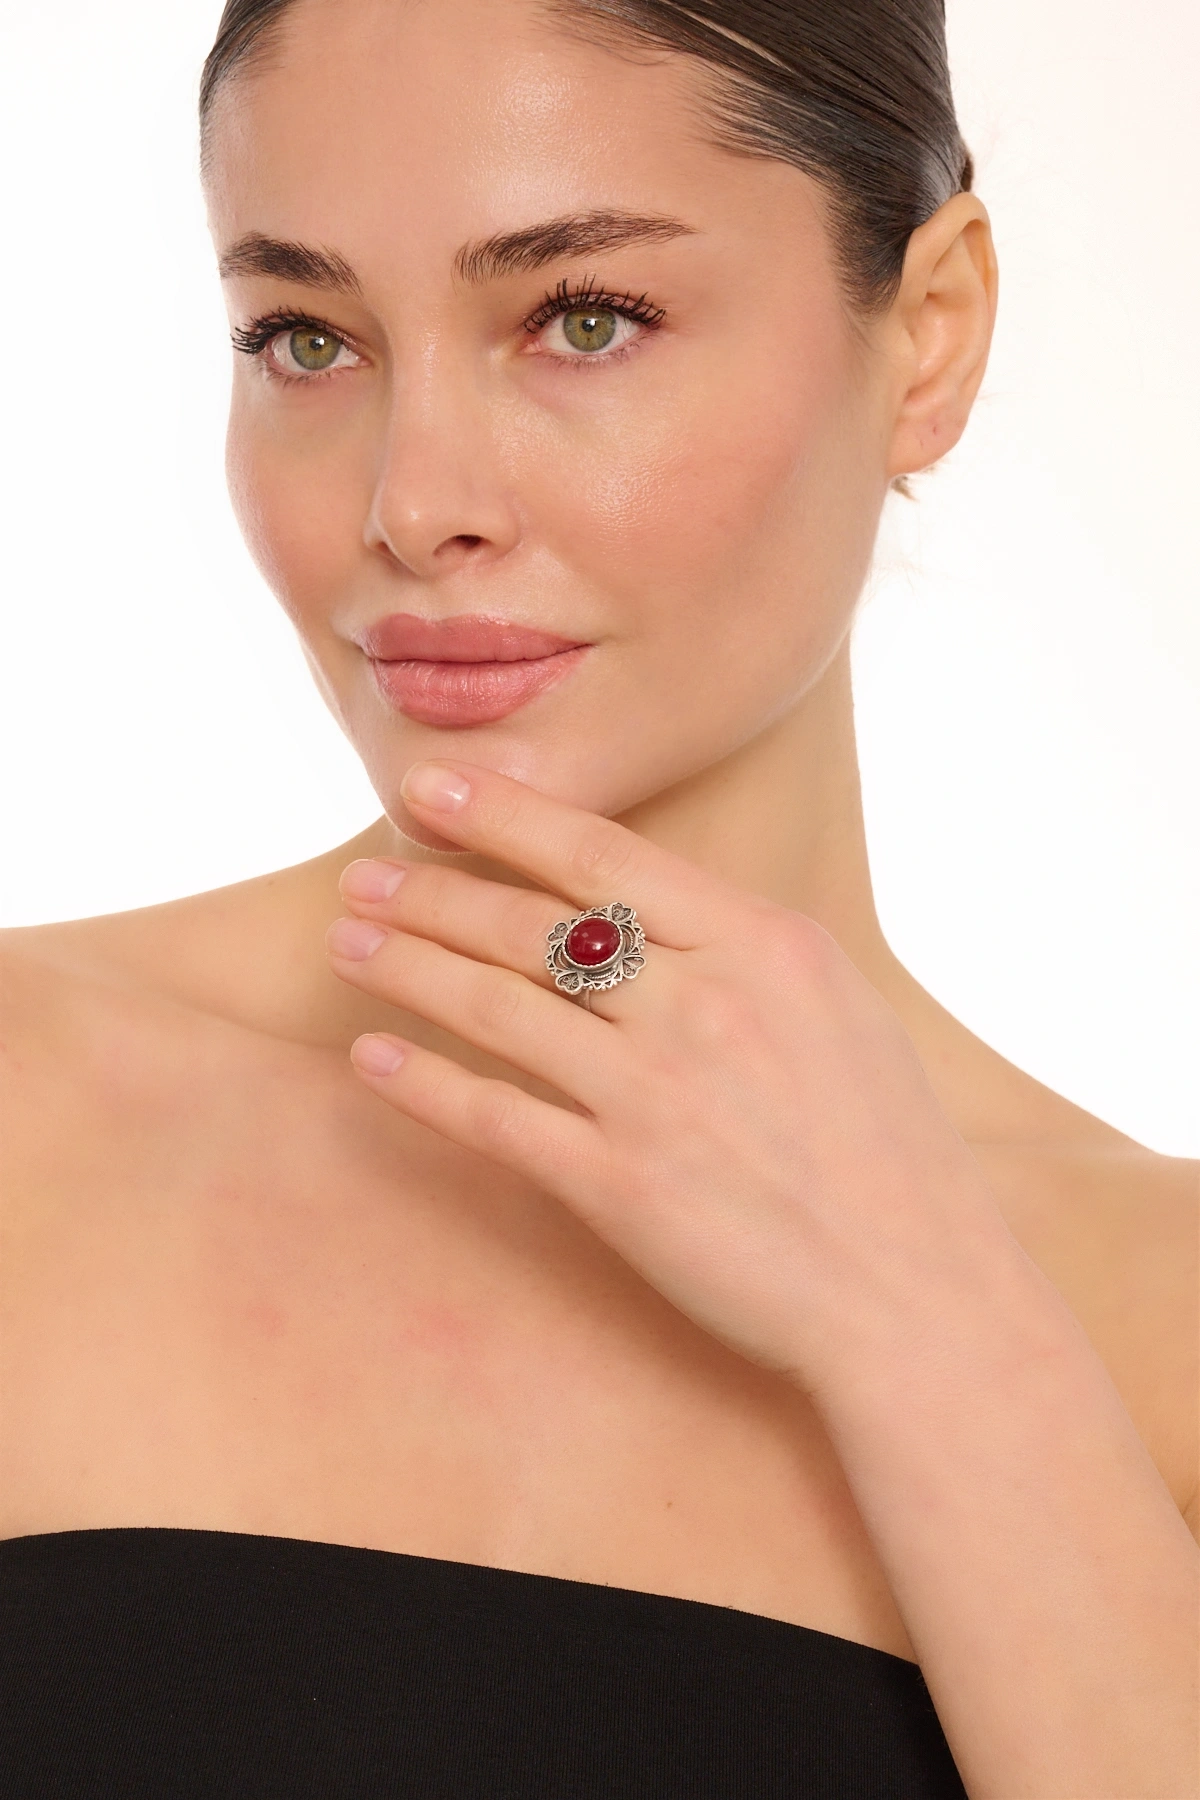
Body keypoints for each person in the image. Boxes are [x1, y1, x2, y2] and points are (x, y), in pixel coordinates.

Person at [1, 0, 1195, 1793]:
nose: (415, 504)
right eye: (307, 339)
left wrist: (926, 1321)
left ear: (931, 333)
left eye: (585, 318)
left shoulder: (1163, 1322)